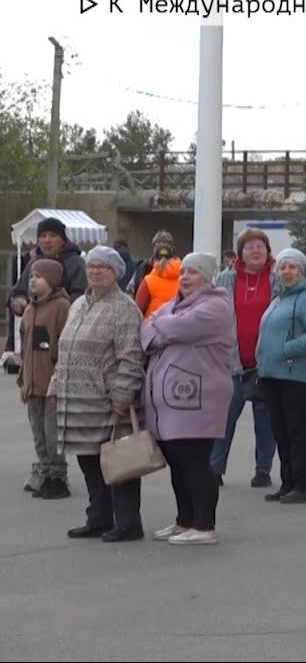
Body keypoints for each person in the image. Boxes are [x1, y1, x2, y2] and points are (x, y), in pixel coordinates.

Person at [141, 253, 234, 546]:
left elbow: (175, 327)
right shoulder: (173, 306)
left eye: (193, 272)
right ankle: (185, 520)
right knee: (177, 461)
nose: (185, 277)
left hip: (198, 397)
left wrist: (165, 325)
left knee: (194, 460)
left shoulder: (216, 305)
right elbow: (147, 329)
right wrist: (165, 326)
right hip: (169, 400)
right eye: (183, 272)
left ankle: (204, 525)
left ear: (207, 277)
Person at [54, 246, 146, 543]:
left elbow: (131, 355)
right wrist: (57, 381)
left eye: (102, 267)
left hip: (107, 402)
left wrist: (123, 392)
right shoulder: (79, 303)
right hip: (77, 402)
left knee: (119, 464)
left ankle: (128, 523)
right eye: (91, 266)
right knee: (89, 462)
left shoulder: (124, 307)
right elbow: (65, 347)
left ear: (116, 272)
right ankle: (99, 517)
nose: (95, 271)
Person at [209, 229, 279, 488]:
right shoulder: (226, 279)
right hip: (232, 362)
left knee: (266, 422)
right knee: (223, 419)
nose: (255, 250)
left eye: (260, 246)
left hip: (265, 364)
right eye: (249, 246)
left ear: (268, 251)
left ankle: (263, 470)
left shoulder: (276, 279)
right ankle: (215, 468)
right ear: (240, 253)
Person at [256, 249, 306, 503]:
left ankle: (304, 485)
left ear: (303, 271)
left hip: (297, 375)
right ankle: (288, 482)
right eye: (282, 267)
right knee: (281, 432)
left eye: (293, 267)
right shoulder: (279, 298)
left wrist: (286, 349)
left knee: (299, 431)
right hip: (274, 375)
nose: (286, 272)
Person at [17, 259, 72, 499]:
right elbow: (24, 349)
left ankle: (58, 476)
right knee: (38, 432)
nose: (32, 281)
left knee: (53, 432)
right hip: (33, 382)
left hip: (52, 383)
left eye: (38, 277)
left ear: (51, 280)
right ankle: (45, 470)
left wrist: (60, 376)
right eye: (31, 277)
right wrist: (22, 380)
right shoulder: (30, 309)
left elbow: (66, 344)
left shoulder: (61, 307)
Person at [9, 217, 88, 318]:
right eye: (43, 236)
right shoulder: (34, 262)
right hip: (35, 323)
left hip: (65, 322)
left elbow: (81, 295)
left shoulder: (76, 263)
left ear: (63, 240)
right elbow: (19, 291)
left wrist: (54, 308)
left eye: (53, 235)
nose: (47, 240)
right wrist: (20, 301)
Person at [127, 231, 177, 296]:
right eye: (158, 244)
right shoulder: (143, 268)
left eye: (165, 244)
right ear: (154, 248)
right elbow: (130, 291)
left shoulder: (180, 268)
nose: (161, 249)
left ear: (172, 249)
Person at [134, 250, 181, 320]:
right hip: (177, 324)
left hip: (153, 325)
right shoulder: (185, 279)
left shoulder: (148, 280)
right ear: (174, 259)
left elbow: (137, 309)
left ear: (154, 261)